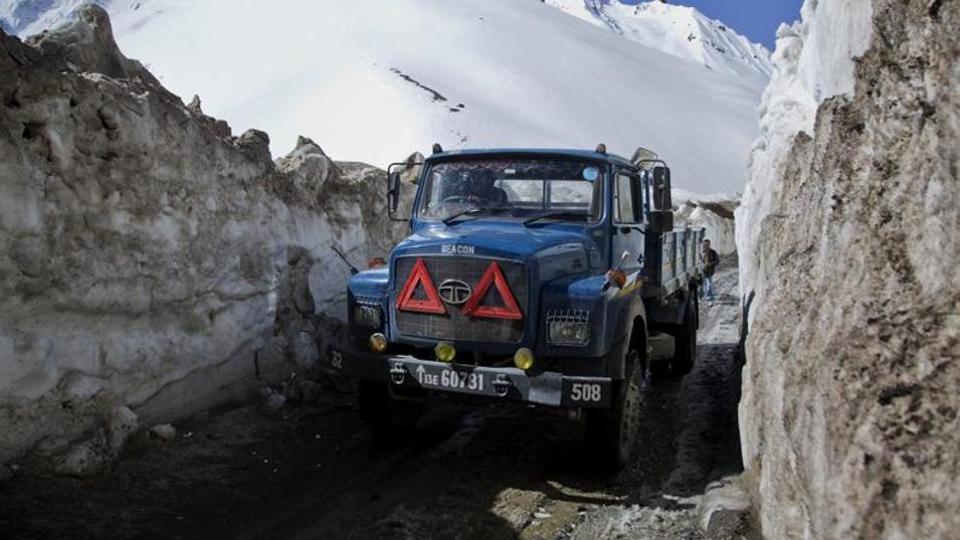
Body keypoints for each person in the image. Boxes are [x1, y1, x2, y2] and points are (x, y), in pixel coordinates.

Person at [701, 239, 719, 305]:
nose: (706, 246)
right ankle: (705, 296)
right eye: (704, 244)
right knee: (703, 286)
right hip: (702, 272)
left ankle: (710, 299)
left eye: (707, 244)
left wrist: (710, 264)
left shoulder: (713, 252)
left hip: (710, 271)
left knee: (709, 285)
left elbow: (717, 261)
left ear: (709, 244)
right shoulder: (701, 252)